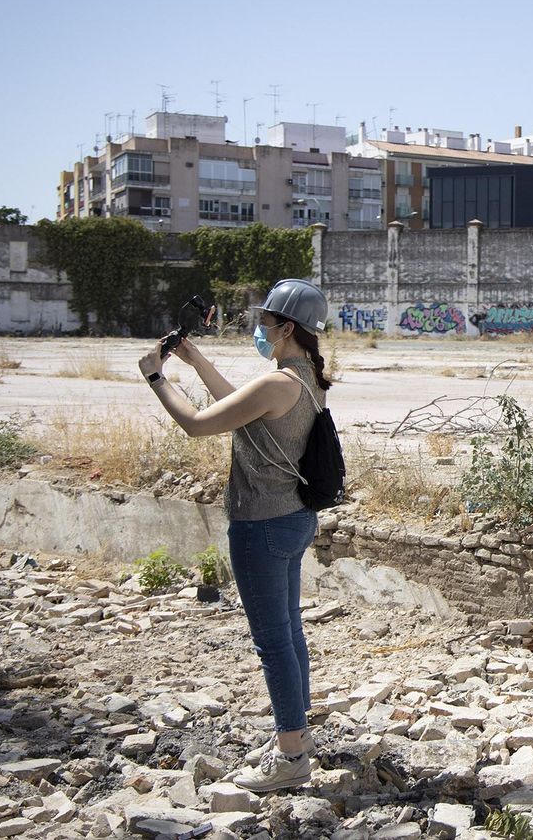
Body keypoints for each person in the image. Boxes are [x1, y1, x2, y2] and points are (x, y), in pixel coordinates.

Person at [136, 278, 332, 793]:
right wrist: (196, 362)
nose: (259, 330)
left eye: (265, 323)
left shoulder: (277, 383)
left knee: (273, 643)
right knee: (289, 633)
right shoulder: (303, 376)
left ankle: (291, 754)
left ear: (286, 327)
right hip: (294, 519)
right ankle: (298, 731)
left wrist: (157, 379)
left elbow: (199, 424)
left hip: (260, 525)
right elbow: (240, 413)